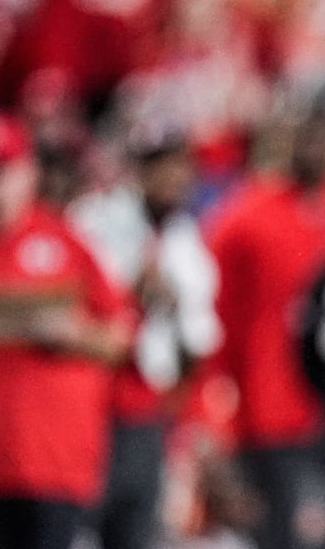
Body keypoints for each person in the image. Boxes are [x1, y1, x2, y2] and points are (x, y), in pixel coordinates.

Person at [203, 82, 325, 549]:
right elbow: (215, 318)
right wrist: (218, 414)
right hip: (270, 412)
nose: (316, 148)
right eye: (306, 135)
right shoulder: (244, 217)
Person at [0, 109, 134, 549]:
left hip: (52, 463)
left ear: (27, 171)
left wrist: (73, 335)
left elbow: (121, 337)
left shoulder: (67, 241)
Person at [69, 133, 223, 549]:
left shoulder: (186, 240)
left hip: (148, 415)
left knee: (137, 531)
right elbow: (73, 306)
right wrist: (131, 293)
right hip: (91, 410)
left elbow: (199, 340)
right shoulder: (93, 221)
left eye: (184, 170)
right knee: (80, 532)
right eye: (166, 168)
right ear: (140, 171)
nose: (177, 180)